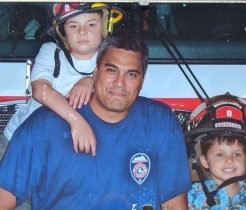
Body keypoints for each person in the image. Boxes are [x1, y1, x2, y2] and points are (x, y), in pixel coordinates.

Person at [0, 36, 192, 210]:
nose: (120, 83)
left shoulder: (160, 121)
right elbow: (4, 198)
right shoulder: (45, 124)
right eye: (111, 70)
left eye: (131, 74)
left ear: (142, 80)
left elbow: (174, 203)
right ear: (95, 72)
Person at [2, 2, 124, 156]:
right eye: (73, 26)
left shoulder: (112, 61)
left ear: (105, 27)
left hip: (64, 148)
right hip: (19, 140)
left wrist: (91, 80)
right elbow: (40, 90)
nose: (82, 32)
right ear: (62, 32)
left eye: (91, 24)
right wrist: (77, 121)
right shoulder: (51, 52)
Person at [185, 93, 246, 209]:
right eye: (220, 154)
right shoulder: (190, 198)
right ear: (204, 160)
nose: (229, 160)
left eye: (237, 154)